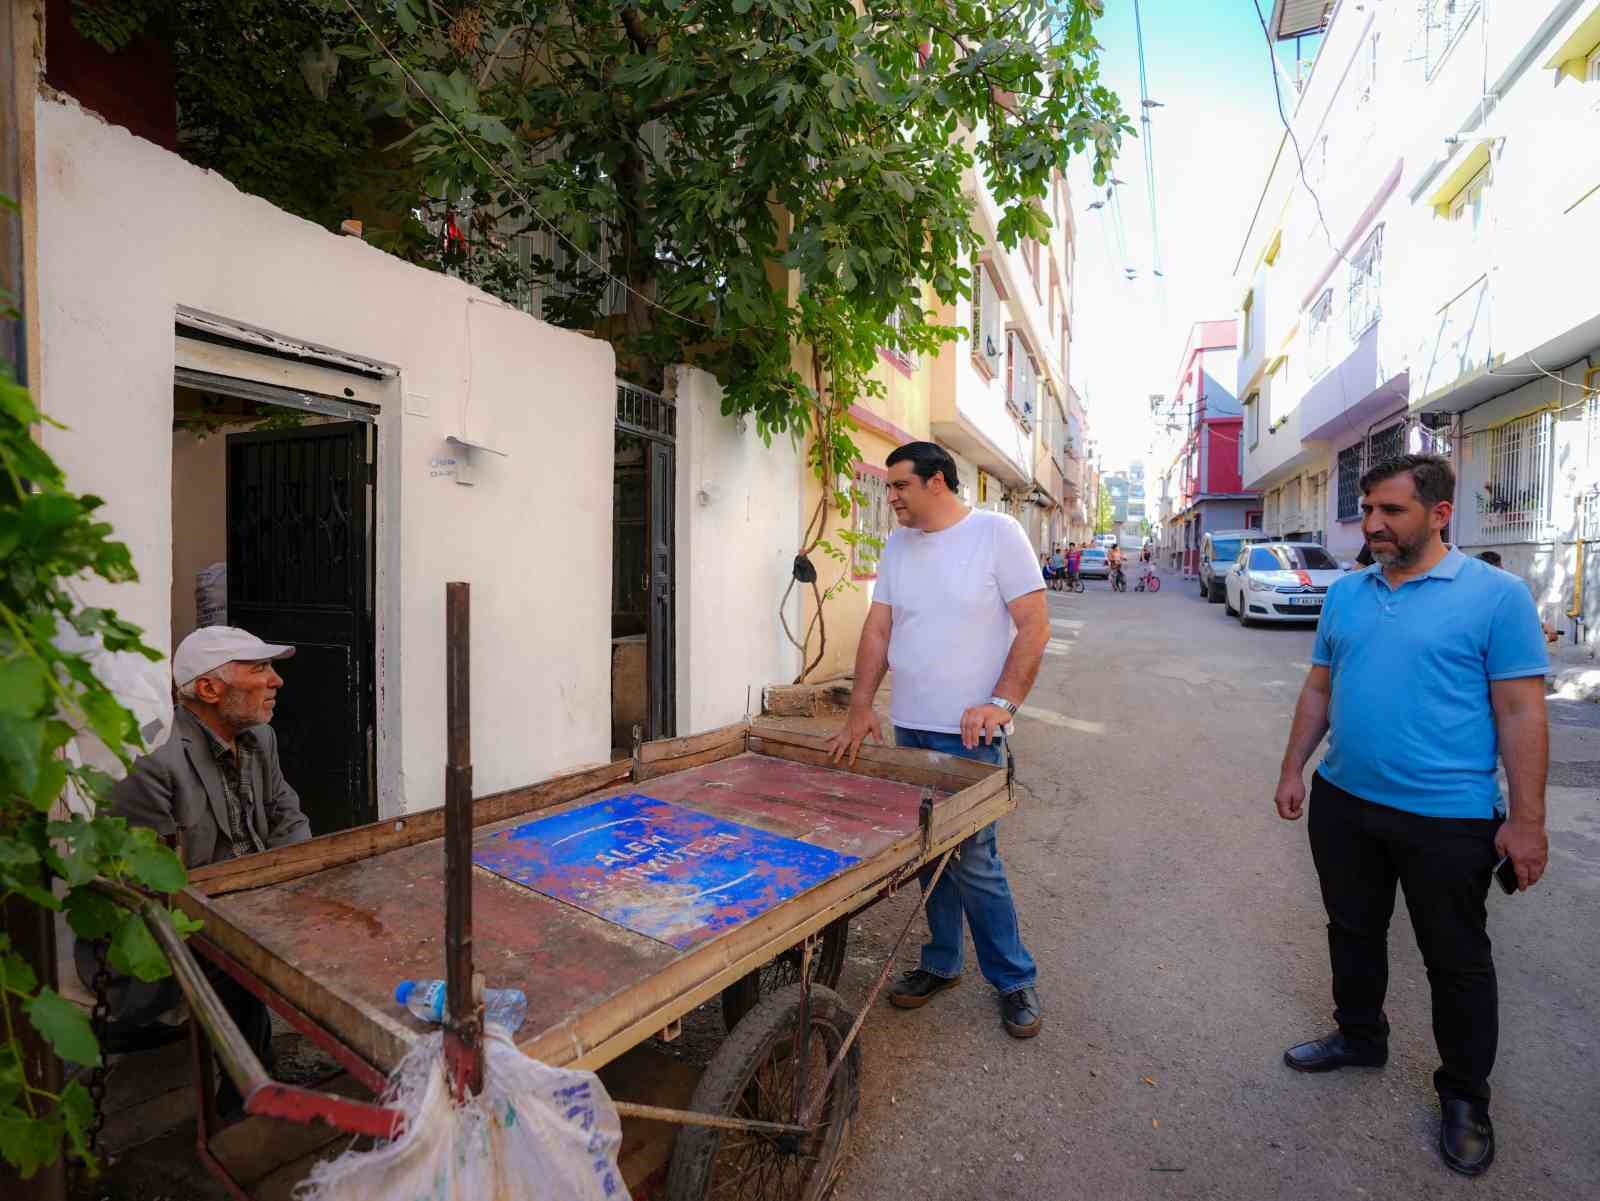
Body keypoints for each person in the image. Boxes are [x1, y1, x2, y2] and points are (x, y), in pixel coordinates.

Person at [1273, 455, 1549, 1178]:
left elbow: (1521, 712)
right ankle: (1360, 1036)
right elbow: (1318, 687)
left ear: (1438, 512)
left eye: (1390, 511)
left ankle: (1465, 1096)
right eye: (1367, 509)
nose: (1372, 524)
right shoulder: (1349, 593)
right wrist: (1292, 765)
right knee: (1352, 930)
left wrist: (1527, 820)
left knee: (1455, 961)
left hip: (1447, 818)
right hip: (1345, 802)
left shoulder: (1497, 596)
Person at [827, 441, 1049, 1038]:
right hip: (912, 728)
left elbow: (1034, 624)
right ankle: (943, 962)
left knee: (976, 860)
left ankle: (1012, 978)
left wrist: (1001, 703)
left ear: (938, 482)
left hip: (969, 736)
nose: (891, 496)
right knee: (929, 853)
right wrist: (860, 707)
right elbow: (879, 629)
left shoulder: (996, 535)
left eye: (899, 485)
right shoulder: (898, 545)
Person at [97, 626, 313, 1117]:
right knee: (236, 959)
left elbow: (289, 820)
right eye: (258, 669)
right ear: (210, 690)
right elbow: (148, 890)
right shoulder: (152, 759)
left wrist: (295, 891)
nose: (275, 681)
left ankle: (259, 1087)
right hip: (173, 929)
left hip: (246, 905)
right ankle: (247, 1103)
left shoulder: (261, 740)